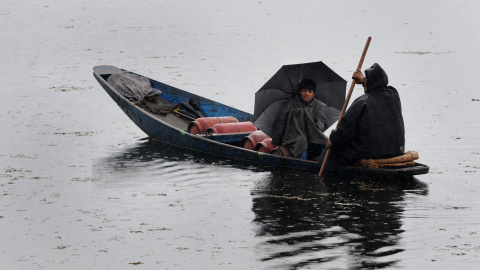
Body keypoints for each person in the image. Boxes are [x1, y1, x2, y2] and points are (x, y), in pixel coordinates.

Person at [326, 63, 405, 167]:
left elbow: (345, 128)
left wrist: (332, 140)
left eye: (367, 79)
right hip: (396, 150)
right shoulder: (394, 95)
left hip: (370, 152)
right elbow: (379, 85)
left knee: (334, 152)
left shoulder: (362, 102)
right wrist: (364, 81)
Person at [271, 79, 329, 160]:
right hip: (294, 136)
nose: (307, 94)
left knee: (324, 144)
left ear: (313, 94)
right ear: (299, 92)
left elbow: (324, 122)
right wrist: (276, 142)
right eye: (304, 91)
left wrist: (313, 120)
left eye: (310, 91)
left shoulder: (316, 105)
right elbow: (281, 122)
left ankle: (321, 161)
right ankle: (301, 163)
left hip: (311, 135)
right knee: (301, 144)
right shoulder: (291, 104)